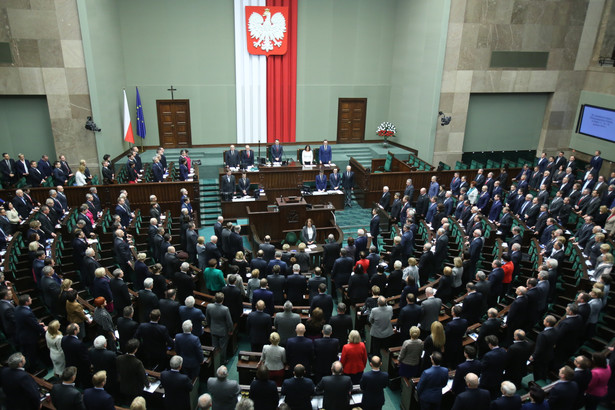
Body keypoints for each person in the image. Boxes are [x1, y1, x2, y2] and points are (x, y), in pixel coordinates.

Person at [205, 292, 233, 364]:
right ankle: (223, 361)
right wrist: (230, 330)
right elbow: (229, 322)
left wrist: (210, 326)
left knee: (214, 347)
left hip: (213, 330)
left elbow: (207, 319)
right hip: (223, 332)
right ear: (222, 300)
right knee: (223, 348)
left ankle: (215, 362)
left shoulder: (209, 306)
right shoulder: (225, 309)